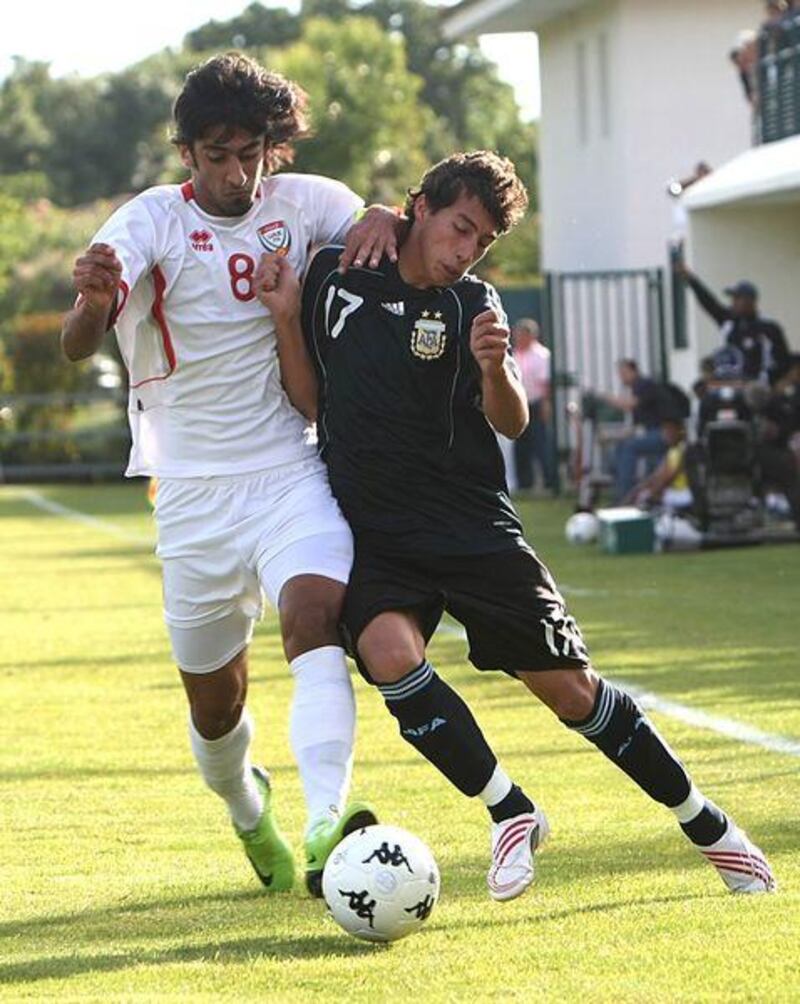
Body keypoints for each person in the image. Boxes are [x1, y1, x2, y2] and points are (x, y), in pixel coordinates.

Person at [257, 151, 775, 901]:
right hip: (380, 533)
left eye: (482, 242)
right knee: (385, 651)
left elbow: (512, 419)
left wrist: (496, 369)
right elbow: (312, 403)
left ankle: (709, 826)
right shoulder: (338, 273)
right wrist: (282, 317)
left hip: (472, 528)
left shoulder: (473, 307)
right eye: (460, 228)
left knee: (570, 692)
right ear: (420, 210)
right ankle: (511, 809)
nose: (466, 250)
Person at [60, 53, 402, 897]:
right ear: (187, 153)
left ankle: (327, 822)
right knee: (216, 714)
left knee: (317, 617)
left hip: (289, 469)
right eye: (216, 154)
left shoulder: (305, 202)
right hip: (190, 494)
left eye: (249, 151)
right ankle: (249, 809)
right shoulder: (147, 221)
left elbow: (376, 222)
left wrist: (386, 215)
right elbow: (78, 341)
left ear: (269, 147)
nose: (235, 171)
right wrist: (95, 303)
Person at [674, 260, 790, 386]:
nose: (733, 302)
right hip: (731, 383)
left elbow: (783, 360)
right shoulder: (728, 321)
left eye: (737, 298)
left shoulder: (769, 328)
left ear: (751, 301)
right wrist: (691, 280)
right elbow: (709, 303)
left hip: (758, 387)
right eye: (733, 298)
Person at [602, 359, 668, 502]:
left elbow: (630, 404)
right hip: (650, 433)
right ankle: (623, 489)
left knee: (628, 447)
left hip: (662, 433)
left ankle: (624, 498)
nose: (621, 377)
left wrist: (608, 398)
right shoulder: (637, 388)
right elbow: (637, 427)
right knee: (618, 448)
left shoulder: (643, 385)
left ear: (633, 371)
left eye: (623, 373)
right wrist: (614, 436)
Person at [511, 318, 555, 494]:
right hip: (517, 404)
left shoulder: (541, 355)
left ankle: (550, 482)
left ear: (530, 336)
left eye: (520, 335)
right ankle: (524, 484)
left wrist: (546, 404)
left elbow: (545, 383)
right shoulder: (513, 354)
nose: (517, 338)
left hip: (536, 404)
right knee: (520, 446)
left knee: (541, 444)